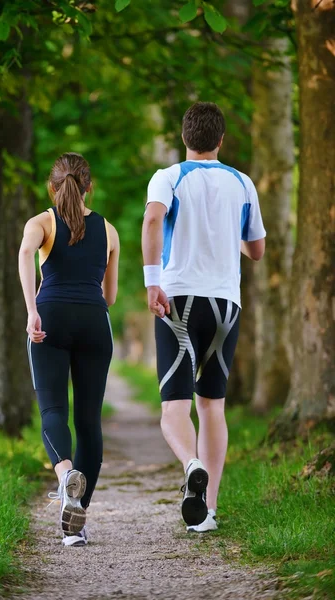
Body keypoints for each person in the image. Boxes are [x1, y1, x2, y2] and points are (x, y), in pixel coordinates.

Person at [142, 102, 266, 533]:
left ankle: (190, 463)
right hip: (225, 303)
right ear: (221, 139)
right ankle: (208, 512)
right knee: (212, 405)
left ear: (184, 137)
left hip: (177, 299)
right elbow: (257, 249)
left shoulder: (169, 177)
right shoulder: (243, 182)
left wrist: (151, 280)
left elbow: (153, 218)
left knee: (174, 407)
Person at [19, 152, 119, 547]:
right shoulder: (109, 231)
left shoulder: (41, 223)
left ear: (52, 186)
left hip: (50, 319)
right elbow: (109, 295)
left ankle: (64, 479)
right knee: (89, 422)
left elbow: (26, 253)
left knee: (53, 411)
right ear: (88, 186)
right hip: (95, 322)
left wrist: (31, 310)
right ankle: (76, 518)